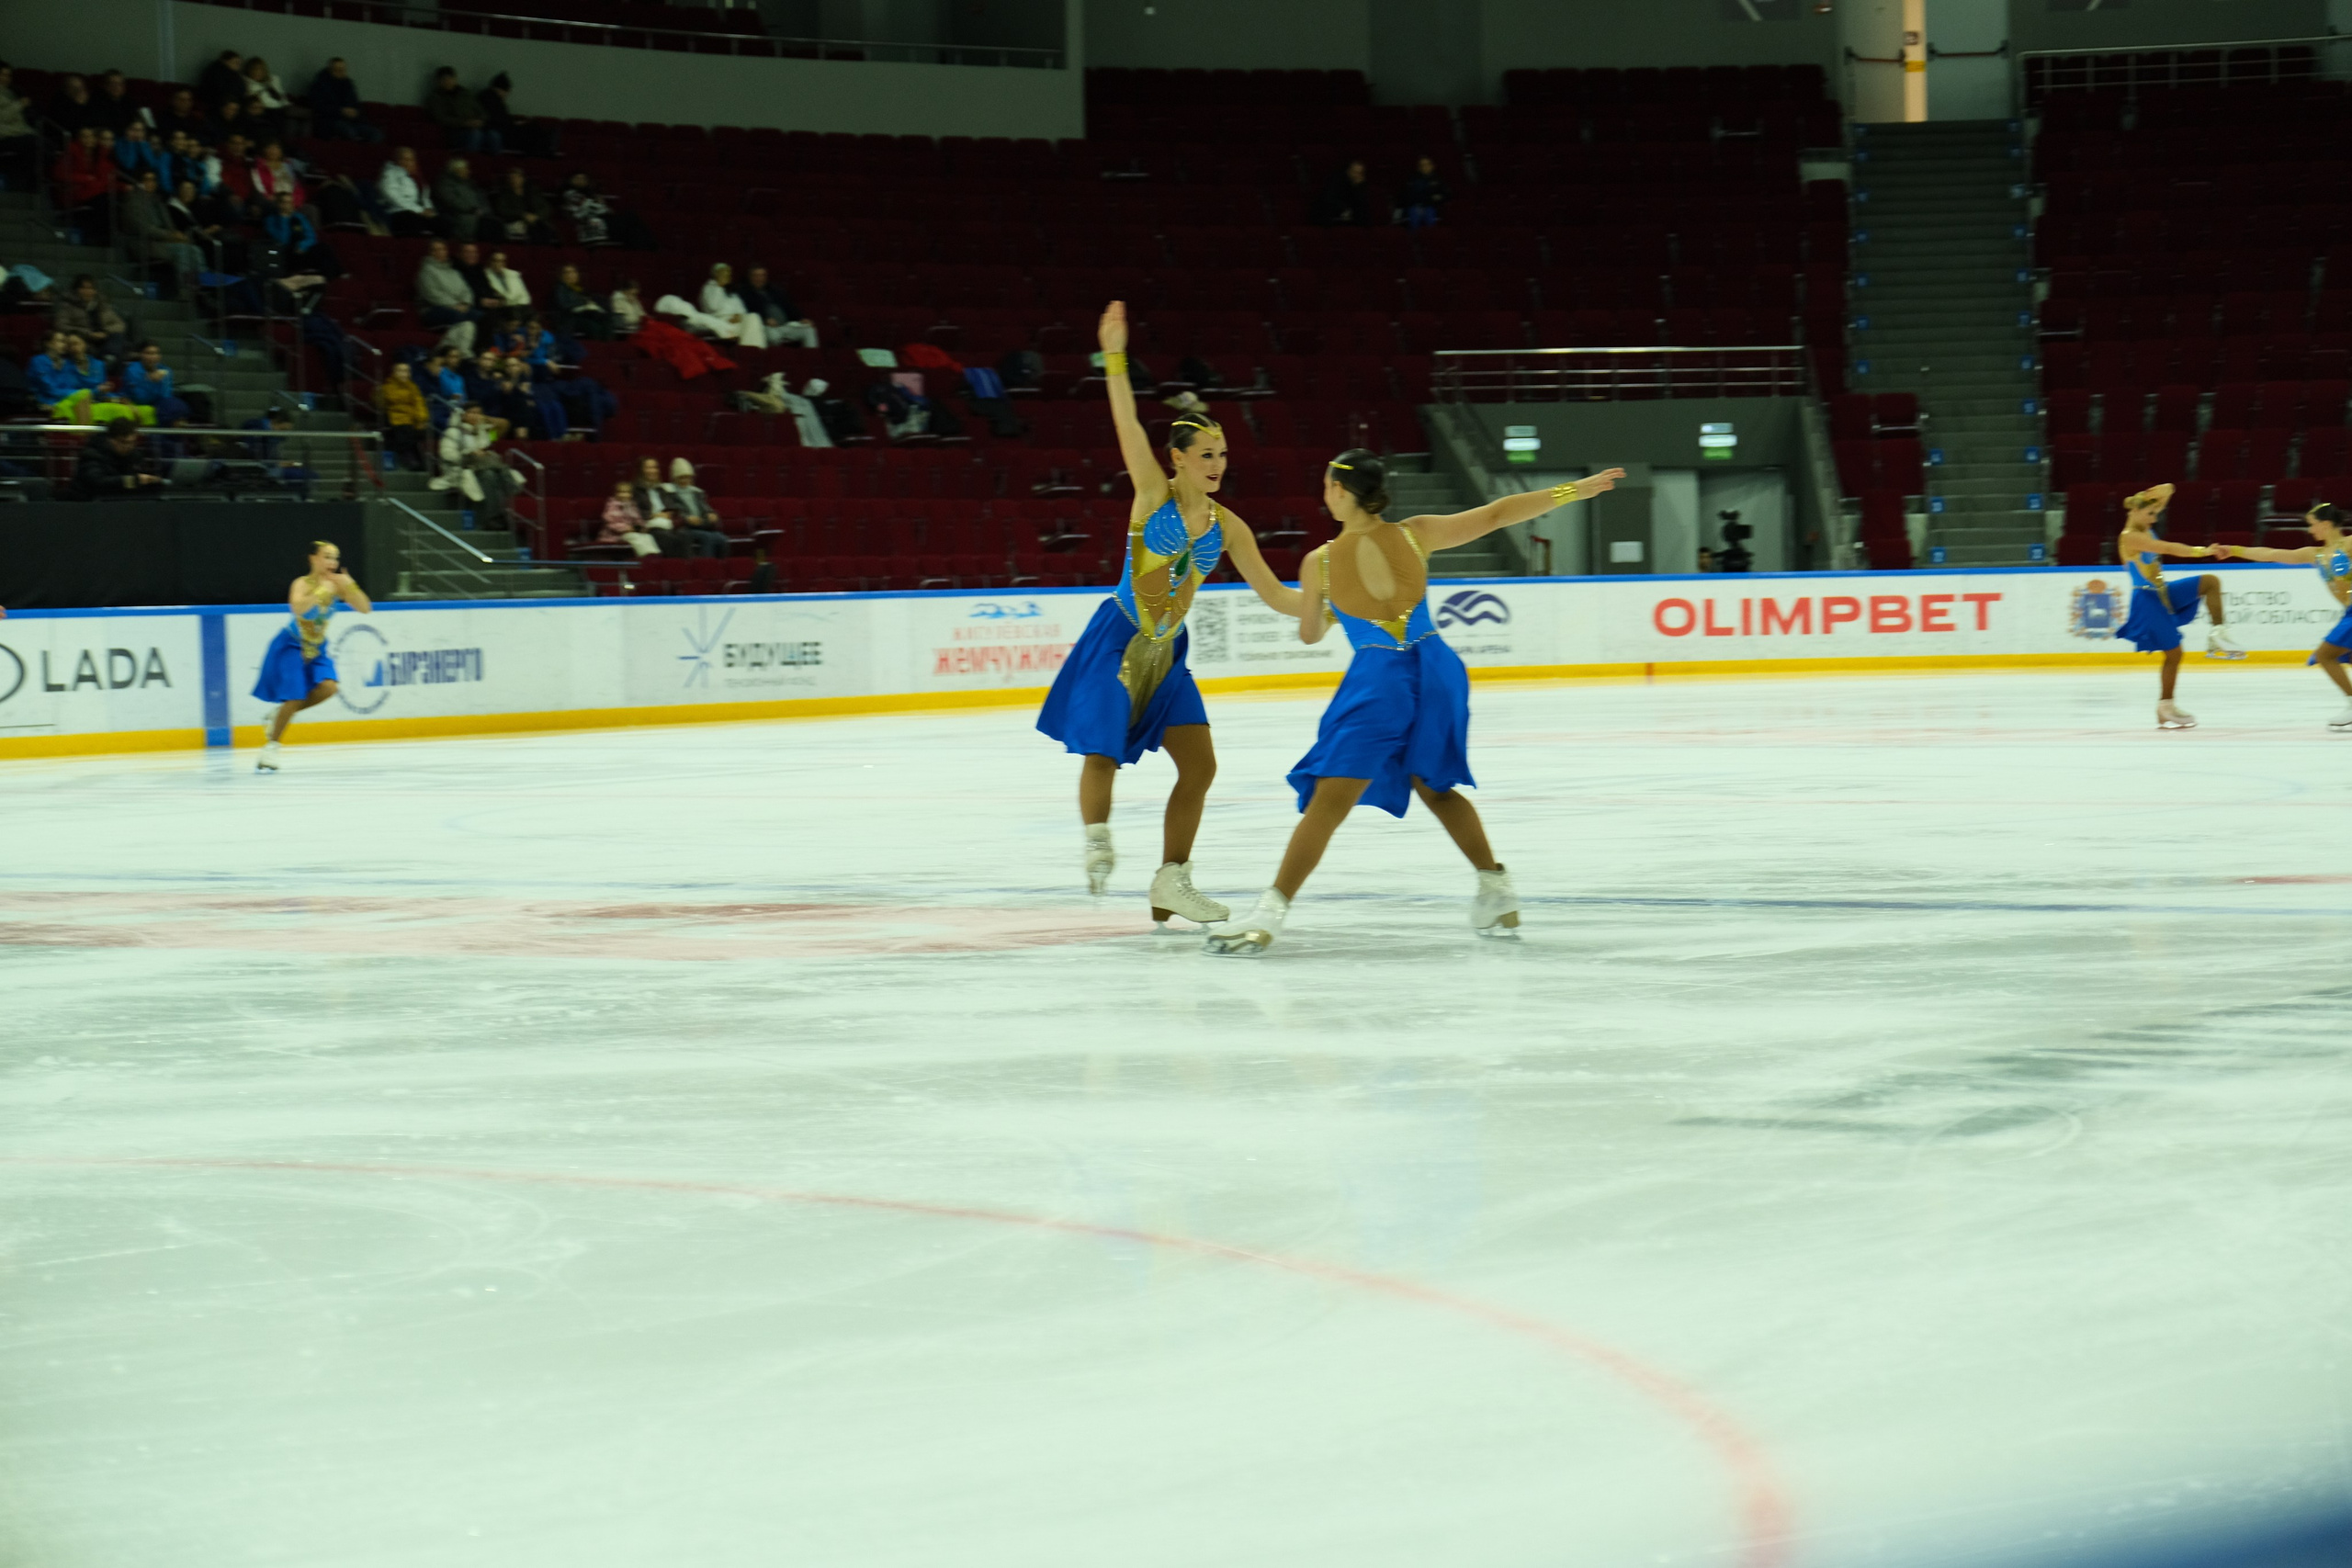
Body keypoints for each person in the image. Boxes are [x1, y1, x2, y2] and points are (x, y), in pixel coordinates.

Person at [1204, 455, 1626, 955]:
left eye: (1326, 485)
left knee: (1329, 800)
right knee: (1435, 785)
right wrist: (1574, 490)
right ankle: (1496, 891)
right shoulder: (1414, 534)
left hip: (1382, 678)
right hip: (1437, 668)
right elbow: (1496, 514)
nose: (1324, 494)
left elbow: (1310, 633)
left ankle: (1268, 915)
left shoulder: (1319, 562)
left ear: (1342, 491)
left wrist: (1331, 609)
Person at [1035, 300, 1269, 927]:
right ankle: (1098, 841)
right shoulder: (1151, 494)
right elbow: (1127, 423)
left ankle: (1172, 879)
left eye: (1222, 452)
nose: (1218, 464)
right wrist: (1114, 355)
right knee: (1102, 752)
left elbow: (1276, 592)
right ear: (1180, 458)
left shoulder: (1231, 525)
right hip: (1118, 635)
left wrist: (1329, 598)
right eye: (1207, 454)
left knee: (1201, 765)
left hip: (1168, 650)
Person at [2112, 482, 2245, 730]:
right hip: (2146, 599)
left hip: (2162, 592)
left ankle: (2218, 635)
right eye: (2150, 514)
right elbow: (2167, 548)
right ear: (2135, 512)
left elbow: (2168, 490)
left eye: (2156, 514)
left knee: (2210, 582)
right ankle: (2165, 706)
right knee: (2175, 653)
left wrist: (2159, 493)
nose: (2154, 519)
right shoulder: (2130, 537)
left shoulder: (2143, 522)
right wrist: (2202, 551)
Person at [2213, 502, 2352, 730]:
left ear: (2326, 524)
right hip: (2348, 612)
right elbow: (2272, 554)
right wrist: (2234, 550)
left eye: (2312, 525)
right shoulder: (2315, 554)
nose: (2310, 530)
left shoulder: (2348, 544)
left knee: (2326, 655)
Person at [253, 540, 371, 771]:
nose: (332, 563)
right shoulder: (302, 583)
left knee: (329, 687)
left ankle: (278, 714)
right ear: (313, 559)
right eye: (327, 557)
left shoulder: (337, 586)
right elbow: (298, 608)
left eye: (335, 558)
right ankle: (271, 749)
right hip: (291, 645)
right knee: (294, 694)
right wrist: (321, 591)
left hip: (317, 647)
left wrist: (351, 585)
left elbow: (365, 608)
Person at [119, 169, 204, 299]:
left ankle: (199, 288)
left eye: (153, 179)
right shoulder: (133, 201)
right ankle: (185, 289)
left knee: (195, 250)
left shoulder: (158, 201)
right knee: (182, 251)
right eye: (147, 179)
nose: (151, 183)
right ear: (139, 182)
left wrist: (176, 236)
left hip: (164, 242)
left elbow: (170, 226)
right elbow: (143, 228)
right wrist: (169, 236)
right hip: (144, 243)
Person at [70, 418, 163, 500]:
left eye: (132, 442)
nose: (129, 446)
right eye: (124, 442)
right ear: (110, 439)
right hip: (87, 504)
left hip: (119, 503)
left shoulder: (135, 456)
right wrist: (132, 481)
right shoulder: (92, 454)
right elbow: (96, 483)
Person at [52, 126, 115, 243]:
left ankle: (102, 237)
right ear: (79, 138)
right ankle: (96, 237)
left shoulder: (101, 154)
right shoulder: (71, 152)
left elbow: (105, 177)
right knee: (103, 201)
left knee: (107, 201)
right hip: (75, 191)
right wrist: (85, 179)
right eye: (85, 136)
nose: (89, 139)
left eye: (92, 136)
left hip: (94, 191)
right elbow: (59, 174)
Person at [414, 238, 478, 353]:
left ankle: (479, 353)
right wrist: (454, 305)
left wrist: (465, 303)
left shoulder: (453, 271)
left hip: (458, 307)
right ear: (430, 253)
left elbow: (466, 290)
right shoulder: (426, 271)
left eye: (442, 249)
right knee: (459, 317)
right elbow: (433, 295)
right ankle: (457, 352)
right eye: (436, 250)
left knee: (480, 316)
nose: (440, 252)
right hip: (433, 310)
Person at [560, 171, 651, 250]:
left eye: (583, 178)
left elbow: (599, 207)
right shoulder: (570, 194)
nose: (581, 180)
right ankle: (648, 249)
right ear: (570, 180)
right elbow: (593, 208)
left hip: (602, 220)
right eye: (577, 178)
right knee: (630, 218)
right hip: (593, 223)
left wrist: (602, 206)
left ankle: (645, 251)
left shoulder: (591, 194)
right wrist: (602, 206)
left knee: (634, 227)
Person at [660, 457, 729, 555]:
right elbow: (673, 511)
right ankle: (705, 566)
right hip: (685, 528)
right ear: (675, 478)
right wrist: (687, 518)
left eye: (688, 477)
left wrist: (711, 514)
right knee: (707, 538)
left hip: (702, 525)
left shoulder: (697, 492)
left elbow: (706, 507)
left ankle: (721, 567)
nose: (685, 480)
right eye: (682, 477)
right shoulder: (669, 492)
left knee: (722, 538)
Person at [477, 73, 555, 159]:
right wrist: (514, 123)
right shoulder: (490, 100)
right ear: (501, 90)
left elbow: (500, 118)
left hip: (503, 129)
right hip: (502, 132)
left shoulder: (489, 98)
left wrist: (514, 122)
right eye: (507, 92)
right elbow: (496, 119)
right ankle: (547, 145)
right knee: (531, 129)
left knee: (531, 128)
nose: (506, 95)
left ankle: (545, 146)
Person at [739, 265, 819, 347]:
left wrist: (801, 319)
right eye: (756, 276)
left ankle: (812, 358)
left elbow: (789, 306)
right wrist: (765, 320)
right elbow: (749, 313)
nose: (760, 279)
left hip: (785, 325)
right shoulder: (745, 293)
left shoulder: (775, 290)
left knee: (809, 330)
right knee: (773, 336)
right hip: (766, 327)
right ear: (750, 277)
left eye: (763, 275)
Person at [307, 58, 380, 143]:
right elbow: (319, 107)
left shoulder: (348, 85)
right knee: (347, 131)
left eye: (343, 70)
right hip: (330, 122)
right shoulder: (320, 85)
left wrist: (355, 113)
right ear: (330, 71)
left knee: (376, 134)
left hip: (352, 122)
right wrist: (340, 111)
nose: (341, 73)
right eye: (337, 70)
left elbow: (357, 105)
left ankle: (365, 152)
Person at [426, 67, 498, 153]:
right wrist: (465, 123)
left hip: (475, 128)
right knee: (476, 135)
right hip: (455, 132)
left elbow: (481, 111)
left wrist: (480, 121)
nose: (448, 82)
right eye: (444, 79)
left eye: (450, 79)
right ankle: (471, 161)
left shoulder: (465, 93)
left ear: (455, 79)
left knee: (494, 135)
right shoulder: (436, 97)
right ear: (439, 81)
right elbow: (441, 118)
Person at [123, 341, 194, 427]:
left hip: (161, 402)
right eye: (148, 353)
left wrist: (159, 382)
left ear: (159, 356)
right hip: (135, 401)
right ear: (141, 355)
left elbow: (166, 395)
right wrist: (151, 382)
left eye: (155, 353)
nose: (152, 357)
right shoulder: (132, 370)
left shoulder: (165, 370)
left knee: (185, 404)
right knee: (170, 410)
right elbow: (140, 398)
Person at [54, 276, 128, 358]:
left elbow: (120, 324)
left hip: (104, 339)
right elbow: (61, 326)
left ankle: (109, 358)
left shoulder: (102, 305)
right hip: (83, 338)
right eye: (83, 288)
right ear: (76, 290)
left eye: (91, 288)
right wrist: (88, 333)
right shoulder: (67, 306)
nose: (87, 291)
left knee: (117, 337)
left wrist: (105, 332)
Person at [378, 146, 442, 238]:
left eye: (411, 159)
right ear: (397, 160)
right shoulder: (390, 173)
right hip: (396, 211)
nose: (409, 162)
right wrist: (419, 210)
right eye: (405, 159)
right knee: (413, 221)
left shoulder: (418, 177)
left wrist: (429, 209)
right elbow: (394, 197)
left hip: (417, 212)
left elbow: (425, 198)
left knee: (442, 223)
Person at [697, 263, 766, 347]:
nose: (727, 275)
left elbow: (742, 310)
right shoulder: (708, 288)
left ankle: (753, 351)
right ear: (716, 274)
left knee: (754, 317)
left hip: (736, 322)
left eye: (729, 273)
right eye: (724, 273)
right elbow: (713, 307)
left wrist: (739, 316)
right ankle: (751, 352)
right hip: (720, 323)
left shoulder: (731, 292)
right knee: (753, 327)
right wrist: (719, 286)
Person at [239, 56, 301, 145]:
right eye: (254, 69)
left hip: (280, 107)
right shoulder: (248, 84)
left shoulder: (272, 81)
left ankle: (300, 145)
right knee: (294, 114)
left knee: (299, 123)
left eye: (260, 69)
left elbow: (281, 97)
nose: (257, 72)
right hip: (268, 109)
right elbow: (257, 100)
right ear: (249, 70)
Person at [492, 167, 556, 245]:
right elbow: (502, 210)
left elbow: (546, 207)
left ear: (523, 179)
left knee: (545, 229)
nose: (514, 180)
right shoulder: (504, 194)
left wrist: (536, 216)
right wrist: (522, 214)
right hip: (515, 222)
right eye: (511, 178)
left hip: (536, 221)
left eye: (516, 177)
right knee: (534, 230)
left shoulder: (532, 192)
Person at [434, 155, 490, 243]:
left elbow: (482, 199)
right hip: (457, 214)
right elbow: (451, 201)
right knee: (467, 220)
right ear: (456, 170)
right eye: (465, 169)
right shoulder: (445, 183)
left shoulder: (471, 183)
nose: (468, 171)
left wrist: (483, 210)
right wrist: (472, 209)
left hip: (478, 213)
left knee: (492, 223)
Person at [598, 479, 661, 557]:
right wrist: (627, 529)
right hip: (615, 536)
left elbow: (638, 520)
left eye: (627, 492)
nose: (624, 495)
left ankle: (655, 555)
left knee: (647, 536)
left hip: (631, 532)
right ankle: (646, 557)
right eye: (621, 492)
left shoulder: (632, 505)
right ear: (616, 494)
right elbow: (611, 523)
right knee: (634, 537)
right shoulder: (612, 505)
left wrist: (642, 527)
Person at [548, 263, 610, 342]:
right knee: (594, 327)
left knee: (606, 321)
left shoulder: (577, 288)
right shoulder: (560, 289)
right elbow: (564, 306)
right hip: (568, 319)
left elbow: (587, 299)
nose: (572, 274)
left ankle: (610, 348)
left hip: (582, 316)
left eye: (574, 272)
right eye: (568, 272)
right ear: (562, 276)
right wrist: (584, 305)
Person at [1311, 158, 1379, 227]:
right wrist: (1345, 209)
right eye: (1354, 172)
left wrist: (1359, 187)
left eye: (1359, 173)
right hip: (1330, 216)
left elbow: (1362, 204)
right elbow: (1329, 199)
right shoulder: (1337, 181)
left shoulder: (1361, 184)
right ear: (1348, 171)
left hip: (1350, 217)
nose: (1356, 175)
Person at [0, 62, 36, 183]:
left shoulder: (11, 92)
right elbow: (3, 117)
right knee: (34, 143)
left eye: (8, 75)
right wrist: (19, 104)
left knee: (46, 145)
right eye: (2, 74)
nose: (5, 78)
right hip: (4, 135)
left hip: (17, 132)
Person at [1400, 154, 1447, 229]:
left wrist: (1439, 197)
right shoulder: (1413, 179)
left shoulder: (1439, 179)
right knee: (1414, 214)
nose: (1425, 167)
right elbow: (1408, 196)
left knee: (1429, 214)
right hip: (1415, 206)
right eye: (1422, 165)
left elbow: (1446, 194)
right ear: (1419, 168)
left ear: (1432, 166)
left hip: (1433, 206)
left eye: (1427, 164)